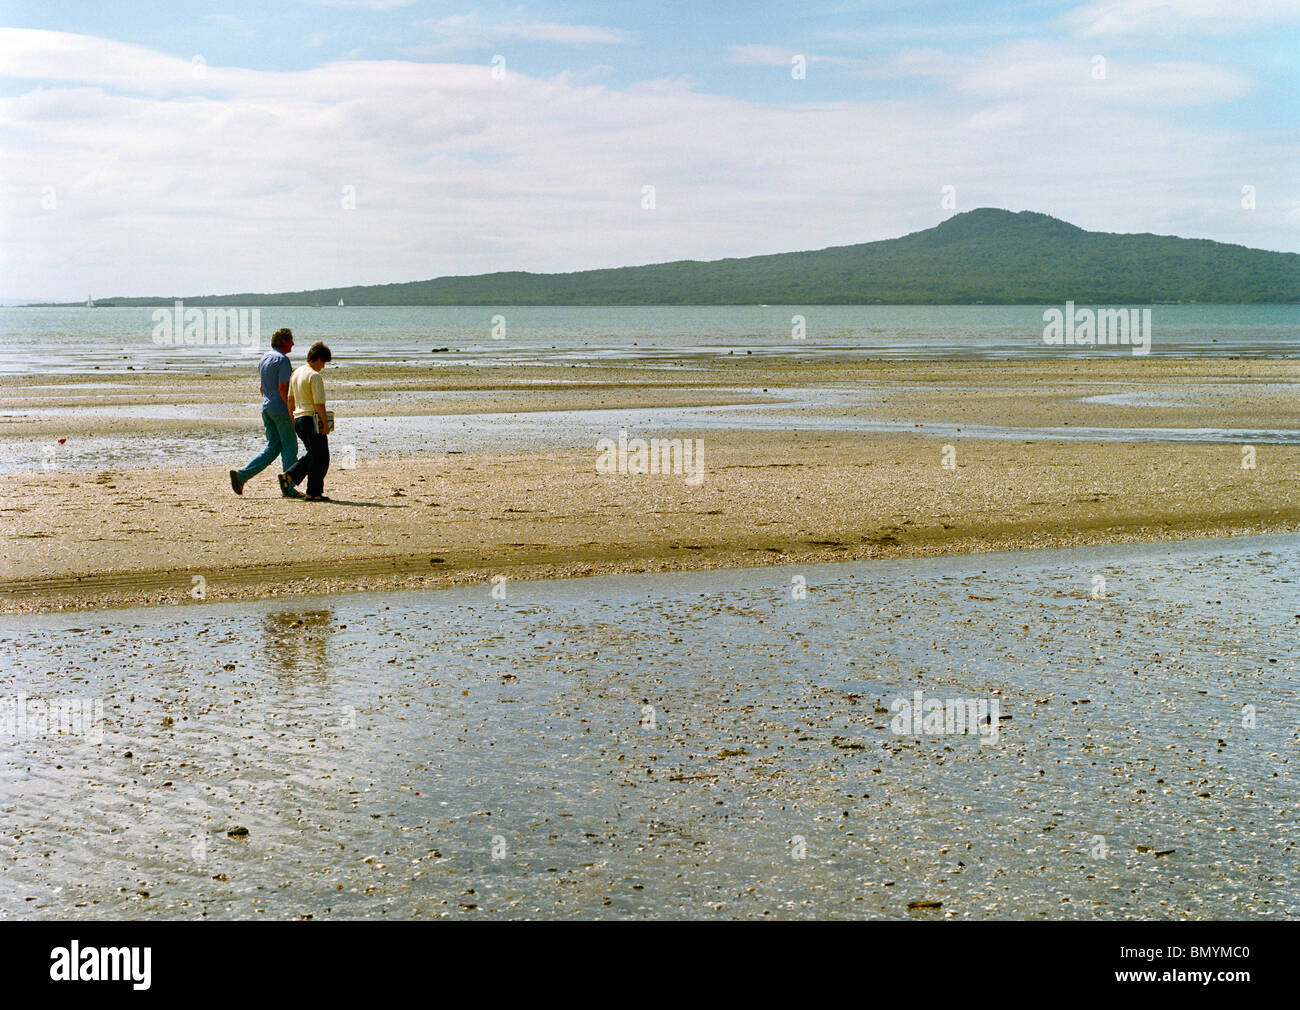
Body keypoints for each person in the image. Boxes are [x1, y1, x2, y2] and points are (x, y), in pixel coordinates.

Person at [230, 328, 303, 498]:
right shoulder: (283, 360)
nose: (293, 343)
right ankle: (289, 486)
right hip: (280, 409)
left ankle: (241, 475)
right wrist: (291, 410)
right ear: (284, 341)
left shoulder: (264, 358)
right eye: (291, 340)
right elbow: (282, 387)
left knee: (273, 448)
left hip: (267, 409)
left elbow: (262, 387)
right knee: (290, 447)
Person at [281, 342, 333, 502]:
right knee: (321, 458)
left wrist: (292, 417)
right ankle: (313, 491)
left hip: (299, 418)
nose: (323, 366)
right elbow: (318, 404)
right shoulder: (314, 376)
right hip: (311, 419)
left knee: (313, 454)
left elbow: (290, 399)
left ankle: (289, 477)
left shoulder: (296, 373)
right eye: (323, 362)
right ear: (318, 359)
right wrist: (325, 423)